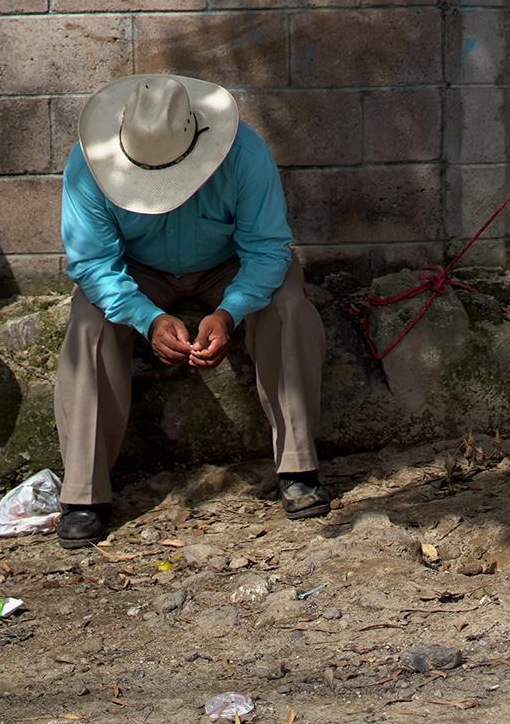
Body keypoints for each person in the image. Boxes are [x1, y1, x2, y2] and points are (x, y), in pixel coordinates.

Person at [53, 73, 329, 547]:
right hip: (140, 271)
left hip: (230, 264)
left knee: (289, 306)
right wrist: (147, 318)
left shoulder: (244, 152)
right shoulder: (88, 165)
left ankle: (298, 465)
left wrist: (229, 313)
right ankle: (84, 492)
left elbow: (267, 249)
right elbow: (92, 262)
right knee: (87, 325)